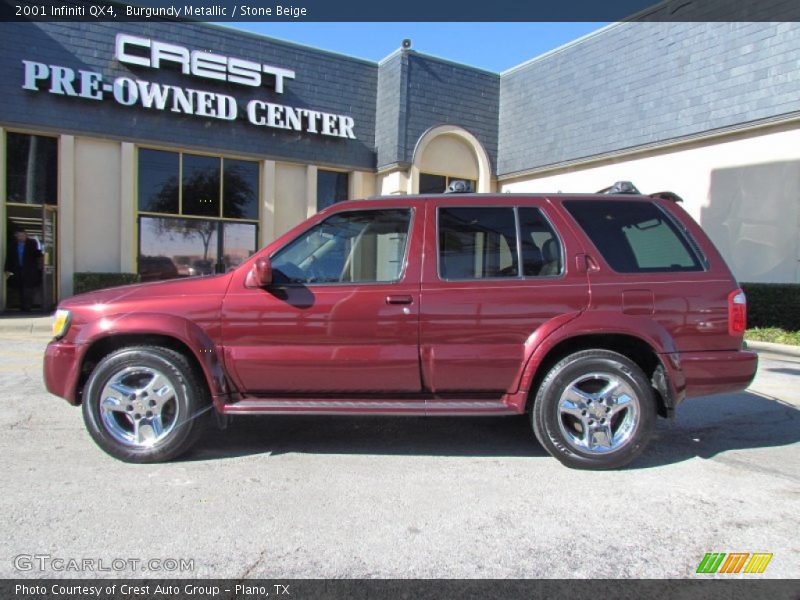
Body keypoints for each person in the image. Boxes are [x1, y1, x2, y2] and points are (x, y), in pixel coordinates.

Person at [4, 229, 43, 312]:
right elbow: (9, 258)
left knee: (28, 289)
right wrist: (7, 269)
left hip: (29, 270)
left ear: (26, 236)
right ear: (16, 236)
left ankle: (27, 307)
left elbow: (37, 254)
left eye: (23, 236)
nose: (21, 237)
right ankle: (22, 305)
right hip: (17, 270)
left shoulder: (32, 244)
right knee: (19, 288)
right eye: (19, 236)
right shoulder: (12, 245)